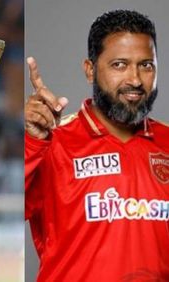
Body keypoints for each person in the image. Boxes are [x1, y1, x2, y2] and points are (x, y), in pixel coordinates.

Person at [25, 9, 169, 281]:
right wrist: (32, 142)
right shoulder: (52, 140)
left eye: (146, 65)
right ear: (90, 70)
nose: (135, 80)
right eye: (119, 65)